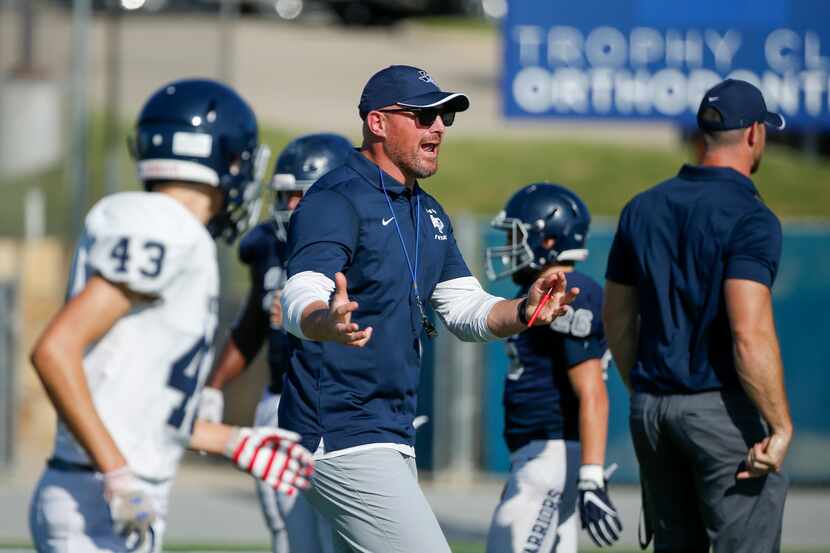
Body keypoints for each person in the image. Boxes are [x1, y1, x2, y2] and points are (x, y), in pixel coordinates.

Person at [277, 64, 578, 553]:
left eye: (444, 116)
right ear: (377, 123)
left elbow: (466, 309)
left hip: (388, 429)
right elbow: (301, 292)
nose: (438, 126)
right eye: (422, 115)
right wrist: (322, 321)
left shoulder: (428, 210)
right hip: (340, 431)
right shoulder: (335, 199)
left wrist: (525, 309)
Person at [28, 79, 314, 553]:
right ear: (224, 158)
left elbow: (137, 407)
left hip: (112, 491)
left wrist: (233, 441)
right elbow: (55, 351)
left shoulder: (177, 233)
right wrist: (118, 476)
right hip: (101, 494)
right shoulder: (163, 227)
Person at [603, 78, 793, 553]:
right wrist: (780, 425)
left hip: (651, 411)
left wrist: (645, 393)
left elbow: (618, 320)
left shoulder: (641, 208)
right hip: (720, 413)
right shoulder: (752, 217)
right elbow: (748, 334)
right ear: (754, 134)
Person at [197, 133, 354, 553]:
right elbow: (250, 326)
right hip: (282, 398)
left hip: (345, 405)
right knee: (290, 529)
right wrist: (214, 386)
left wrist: (309, 320)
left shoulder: (362, 240)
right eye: (283, 195)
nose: (287, 207)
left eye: (298, 196)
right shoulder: (267, 244)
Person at [484, 183, 621, 553]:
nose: (510, 247)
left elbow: (592, 390)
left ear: (546, 242)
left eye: (517, 236)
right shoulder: (541, 294)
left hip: (550, 457)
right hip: (541, 457)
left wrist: (591, 477)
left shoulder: (569, 292)